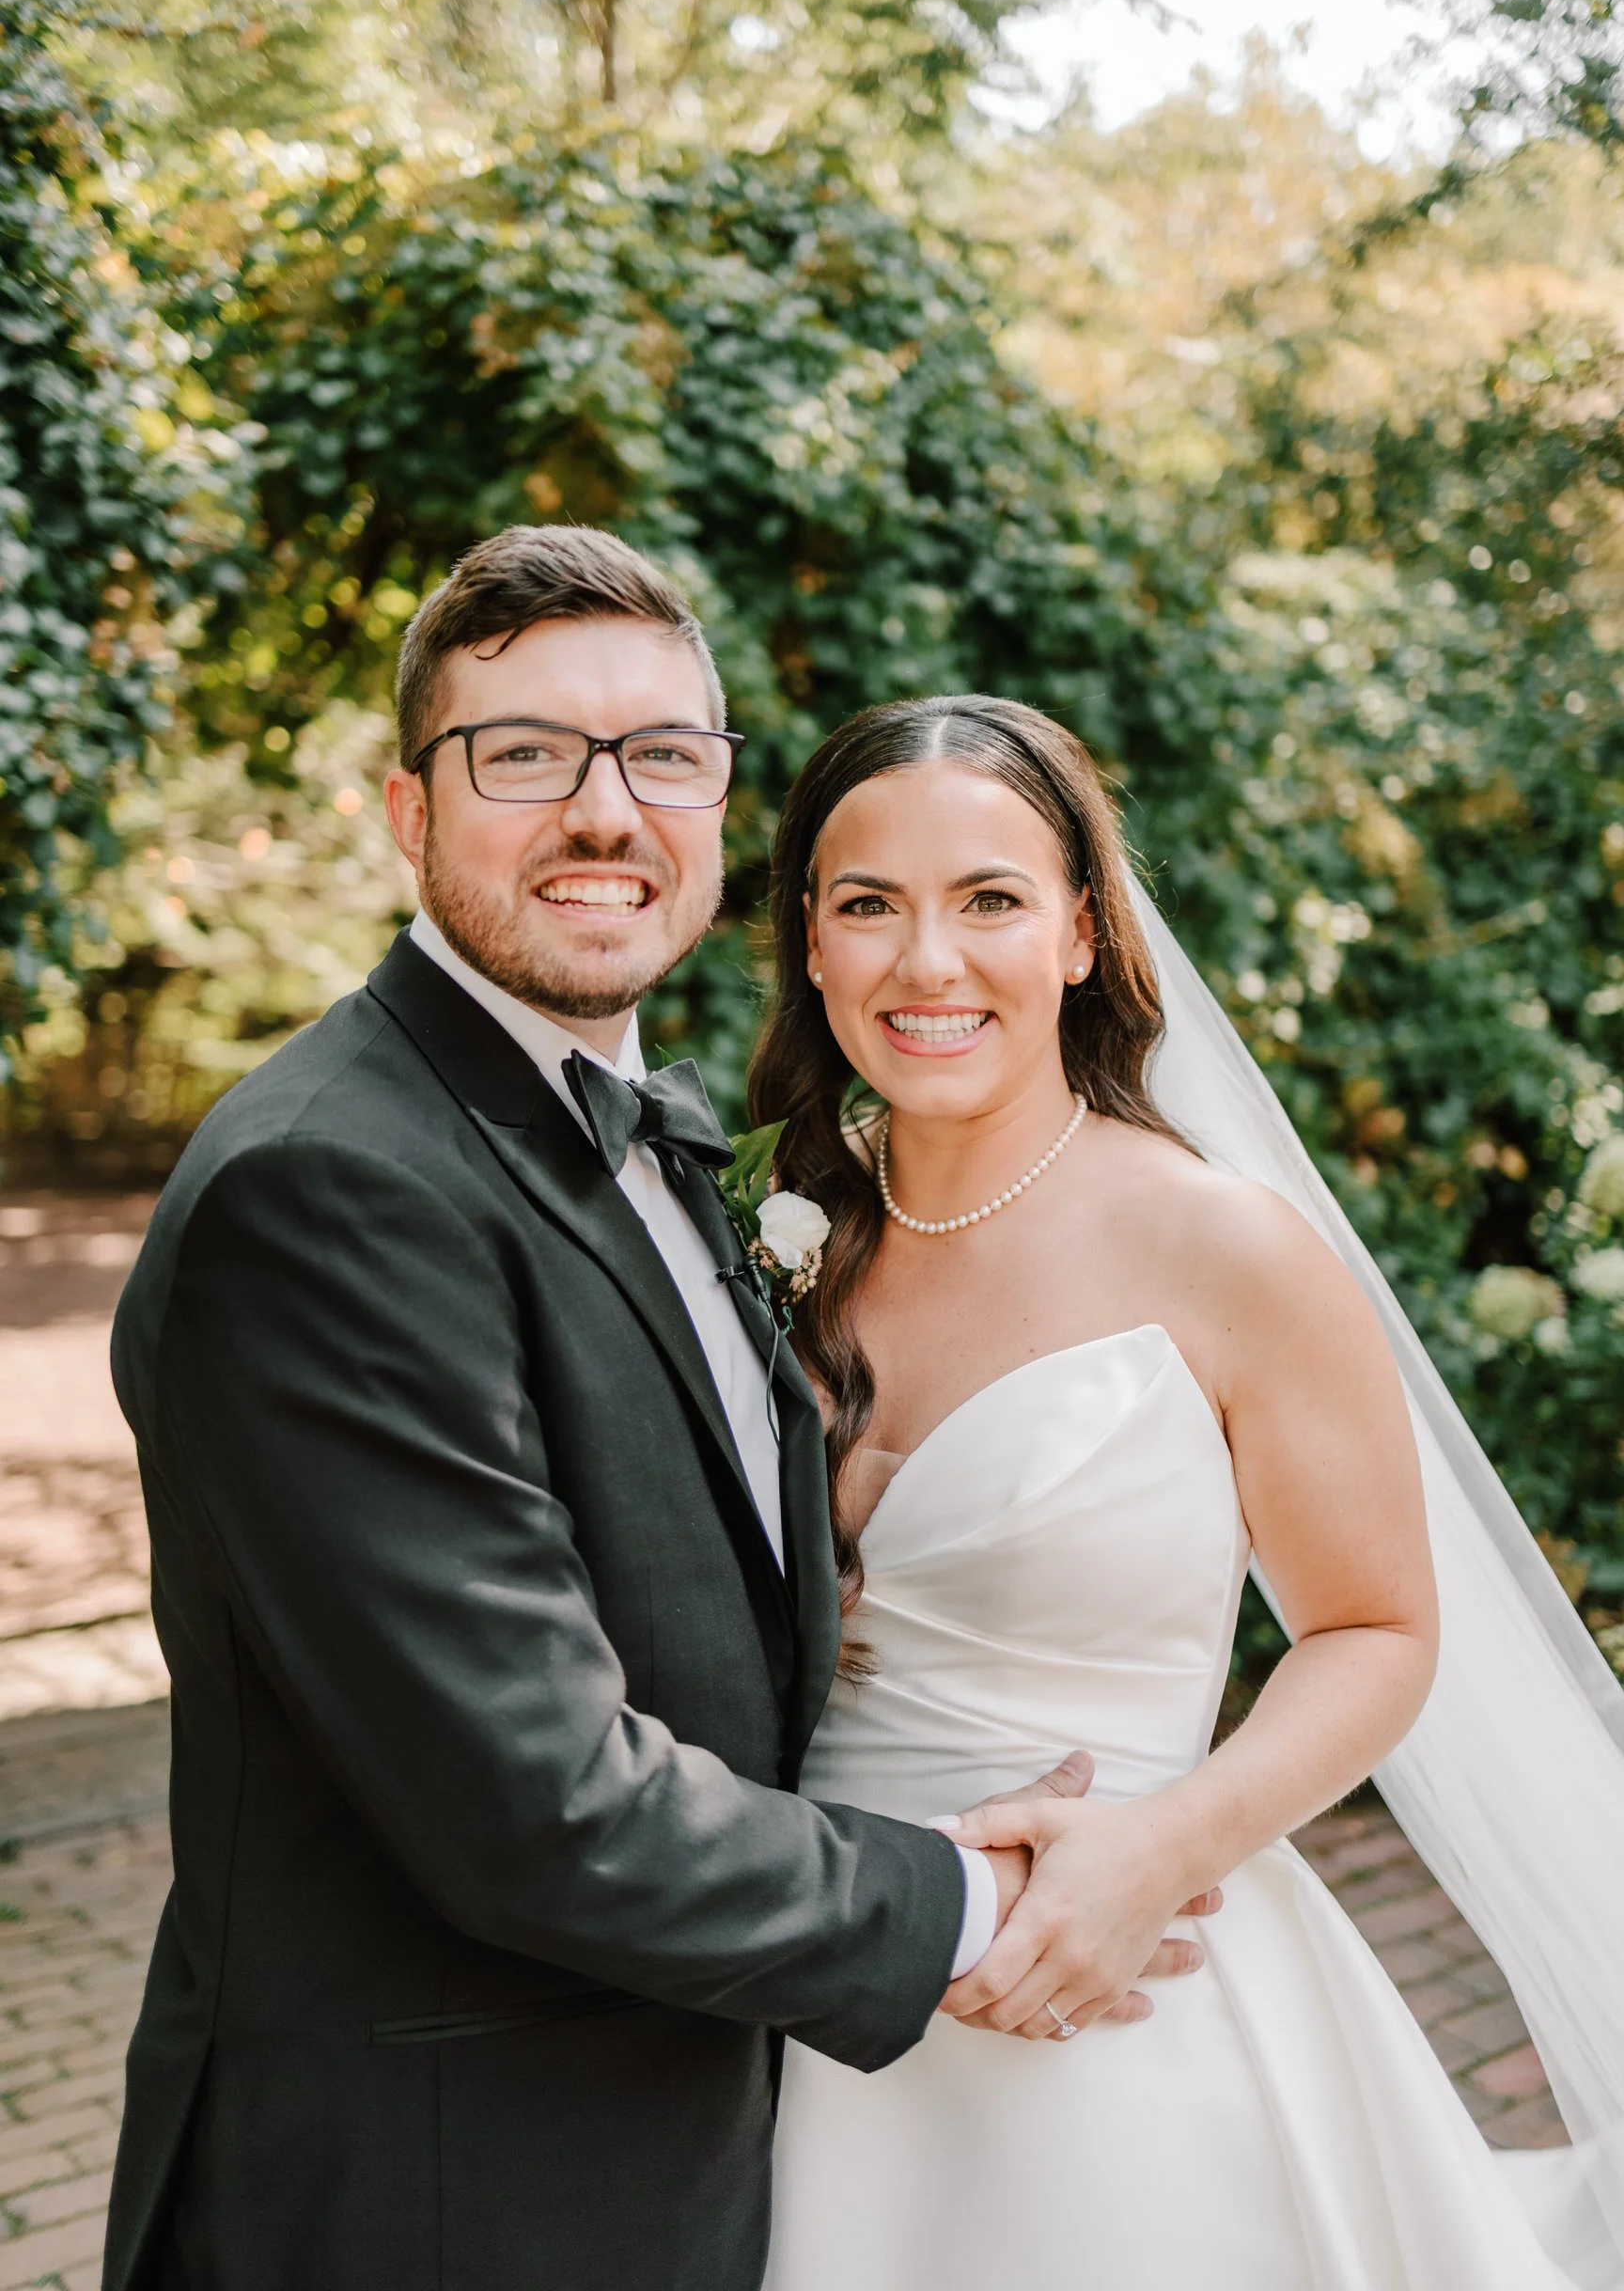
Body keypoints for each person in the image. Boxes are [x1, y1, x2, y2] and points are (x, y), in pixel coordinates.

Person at [102, 531, 1209, 2291]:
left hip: (707, 2142)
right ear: (409, 809)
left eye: (664, 759)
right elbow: (535, 1802)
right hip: (450, 2201)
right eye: (524, 754)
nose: (604, 813)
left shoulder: (660, 1141)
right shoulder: (330, 1188)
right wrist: (990, 1903)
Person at [754, 694, 1624, 2291]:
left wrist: (1163, 1846)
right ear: (810, 943)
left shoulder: (1224, 1250)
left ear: (1083, 932)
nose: (926, 963)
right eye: (868, 904)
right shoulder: (769, 1240)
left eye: (992, 901)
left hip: (1124, 2003)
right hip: (799, 1997)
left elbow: (1373, 1629)